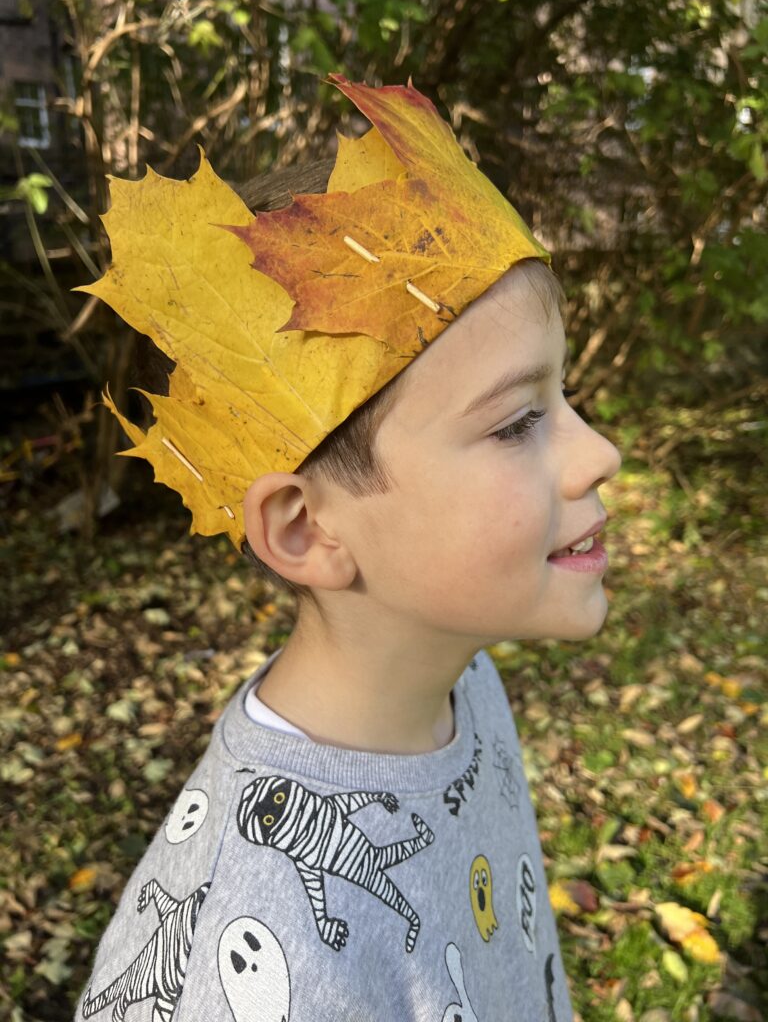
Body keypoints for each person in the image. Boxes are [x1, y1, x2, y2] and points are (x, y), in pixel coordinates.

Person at [74, 75, 621, 1022]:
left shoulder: (461, 686)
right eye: (518, 421)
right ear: (307, 528)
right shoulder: (247, 951)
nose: (599, 451)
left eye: (563, 399)